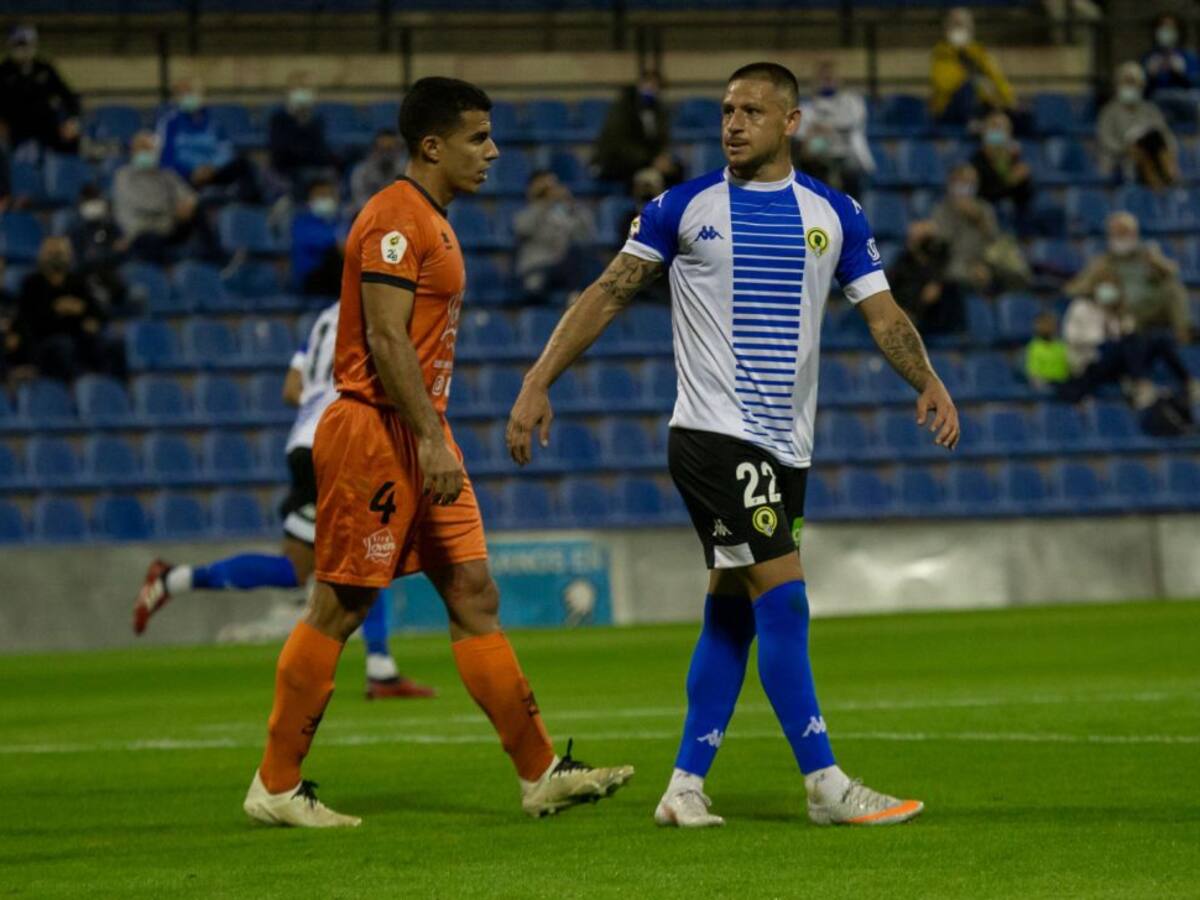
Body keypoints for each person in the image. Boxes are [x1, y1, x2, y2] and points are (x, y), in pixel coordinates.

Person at [509, 62, 958, 829]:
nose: (733, 124)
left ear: (791, 122)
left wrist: (929, 379)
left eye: (751, 110)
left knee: (731, 612)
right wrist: (538, 378)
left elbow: (883, 315)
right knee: (784, 598)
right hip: (714, 435)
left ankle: (684, 786)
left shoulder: (834, 213)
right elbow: (610, 291)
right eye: (726, 110)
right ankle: (825, 784)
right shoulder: (683, 208)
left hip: (787, 448)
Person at [241, 76, 634, 828]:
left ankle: (540, 773)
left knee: (473, 592)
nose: (493, 151)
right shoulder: (395, 217)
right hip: (377, 432)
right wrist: (427, 438)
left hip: (421, 430)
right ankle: (276, 785)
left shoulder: (433, 220)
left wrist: (432, 434)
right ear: (432, 146)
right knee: (341, 603)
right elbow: (385, 337)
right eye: (477, 137)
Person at [132, 302, 435, 700]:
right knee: (371, 549)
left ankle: (172, 579)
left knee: (296, 568)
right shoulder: (379, 308)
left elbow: (292, 389)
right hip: (339, 438)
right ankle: (380, 669)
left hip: (304, 442)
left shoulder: (325, 318)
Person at [1060, 277, 1197, 406]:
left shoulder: (1115, 311)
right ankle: (1139, 383)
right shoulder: (1081, 307)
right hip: (1090, 360)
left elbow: (1126, 331)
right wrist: (1105, 337)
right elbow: (1072, 337)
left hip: (1118, 360)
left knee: (1159, 339)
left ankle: (1188, 382)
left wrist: (1124, 325)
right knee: (1129, 342)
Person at [1064, 211, 1190, 345]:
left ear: (1134, 234)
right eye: (1116, 234)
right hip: (1121, 310)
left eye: (1125, 233)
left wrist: (1157, 262)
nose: (1121, 238)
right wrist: (1098, 290)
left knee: (1172, 287)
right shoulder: (1102, 263)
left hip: (1151, 307)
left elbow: (1173, 273)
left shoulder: (1148, 256)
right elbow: (1073, 289)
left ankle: (1184, 334)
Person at [10, 236, 125, 382]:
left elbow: (96, 311)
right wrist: (56, 310)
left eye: (60, 253)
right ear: (42, 255)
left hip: (79, 337)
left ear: (69, 255)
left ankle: (111, 385)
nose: (56, 258)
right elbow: (26, 319)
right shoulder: (32, 284)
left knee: (113, 344)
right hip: (45, 339)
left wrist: (91, 319)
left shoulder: (78, 282)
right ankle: (77, 385)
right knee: (64, 345)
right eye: (52, 253)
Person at [931, 163, 1029, 294]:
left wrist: (980, 221)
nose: (966, 188)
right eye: (962, 182)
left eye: (971, 184)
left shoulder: (984, 209)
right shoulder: (941, 211)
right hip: (953, 263)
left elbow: (994, 241)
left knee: (1015, 273)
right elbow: (942, 247)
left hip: (983, 261)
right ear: (952, 184)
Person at [156, 78, 258, 200]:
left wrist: (212, 167)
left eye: (191, 92)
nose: (188, 97)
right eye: (183, 94)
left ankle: (249, 206)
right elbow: (166, 159)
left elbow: (225, 149)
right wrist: (191, 172)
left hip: (213, 171)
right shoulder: (170, 123)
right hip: (187, 177)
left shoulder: (214, 120)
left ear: (201, 95)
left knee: (244, 165)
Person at [112, 130, 202, 264]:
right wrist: (175, 208)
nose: (147, 153)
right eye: (143, 148)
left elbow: (188, 194)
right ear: (133, 151)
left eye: (151, 149)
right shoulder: (124, 175)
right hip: (141, 231)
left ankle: (211, 261)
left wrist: (189, 203)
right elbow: (146, 204)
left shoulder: (166, 174)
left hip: (168, 226)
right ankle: (166, 270)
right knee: (149, 239)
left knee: (199, 212)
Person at [513, 169, 598, 302]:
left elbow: (587, 234)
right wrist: (543, 203)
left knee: (581, 254)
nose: (550, 191)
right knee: (535, 287)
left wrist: (571, 204)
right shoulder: (525, 213)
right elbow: (523, 229)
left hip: (561, 267)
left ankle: (575, 295)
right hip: (536, 268)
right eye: (545, 188)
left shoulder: (562, 213)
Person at [793, 59, 874, 198]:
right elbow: (801, 136)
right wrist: (813, 133)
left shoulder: (852, 101)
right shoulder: (807, 107)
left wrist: (824, 128)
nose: (827, 82)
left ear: (839, 80)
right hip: (820, 155)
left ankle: (850, 204)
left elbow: (851, 122)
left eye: (830, 78)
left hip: (848, 153)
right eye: (823, 79)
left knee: (850, 169)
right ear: (815, 82)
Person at [0, 24, 80, 155]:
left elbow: (68, 96)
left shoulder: (45, 69)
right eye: (19, 44)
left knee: (71, 140)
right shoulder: (3, 71)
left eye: (27, 44)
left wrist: (71, 120)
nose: (23, 49)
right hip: (14, 126)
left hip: (45, 124)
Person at [930, 8, 1017, 126]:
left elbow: (996, 77)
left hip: (979, 105)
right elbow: (944, 85)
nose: (959, 28)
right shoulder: (941, 53)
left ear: (971, 28)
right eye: (956, 24)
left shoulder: (979, 52)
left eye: (963, 24)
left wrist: (1008, 99)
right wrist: (959, 54)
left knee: (1011, 114)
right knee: (968, 87)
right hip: (948, 108)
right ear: (946, 28)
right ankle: (971, 123)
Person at [1097, 62, 1179, 189]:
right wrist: (1125, 149)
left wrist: (1170, 149)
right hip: (1121, 158)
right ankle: (1156, 185)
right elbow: (1106, 139)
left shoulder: (1151, 110)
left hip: (1153, 153)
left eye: (1133, 83)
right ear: (1118, 85)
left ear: (1141, 85)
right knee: (1139, 151)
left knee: (1156, 143)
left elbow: (1165, 134)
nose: (1130, 87)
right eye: (1126, 82)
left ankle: (1170, 178)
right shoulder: (1109, 111)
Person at [594, 69, 672, 187]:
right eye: (649, 84)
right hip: (616, 162)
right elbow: (619, 144)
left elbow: (662, 140)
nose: (652, 89)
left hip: (646, 161)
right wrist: (650, 160)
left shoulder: (658, 111)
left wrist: (661, 158)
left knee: (675, 171)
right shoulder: (623, 107)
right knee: (646, 180)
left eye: (656, 86)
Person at [887, 219, 964, 335]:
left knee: (950, 289)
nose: (914, 243)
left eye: (922, 240)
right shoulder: (903, 262)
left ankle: (957, 333)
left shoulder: (940, 258)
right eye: (912, 239)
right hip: (911, 313)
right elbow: (891, 288)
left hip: (938, 316)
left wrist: (936, 285)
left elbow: (953, 270)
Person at [268, 73, 337, 192]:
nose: (303, 93)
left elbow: (321, 152)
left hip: (314, 169)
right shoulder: (278, 119)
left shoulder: (317, 121)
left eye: (306, 88)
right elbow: (280, 153)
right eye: (298, 88)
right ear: (289, 93)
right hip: (288, 171)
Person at [67, 184, 130, 316]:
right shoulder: (76, 229)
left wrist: (106, 255)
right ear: (81, 204)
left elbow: (124, 251)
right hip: (86, 277)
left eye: (97, 200)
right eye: (90, 201)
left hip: (110, 274)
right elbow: (80, 261)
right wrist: (111, 252)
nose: (94, 204)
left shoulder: (110, 226)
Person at [970, 109, 1034, 229]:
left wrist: (1024, 179)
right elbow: (982, 194)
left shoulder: (1013, 159)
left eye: (1002, 128)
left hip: (1014, 213)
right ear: (984, 131)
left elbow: (1025, 196)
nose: (997, 131)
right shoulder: (976, 160)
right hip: (988, 213)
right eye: (994, 126)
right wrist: (1010, 181)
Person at [290, 178, 343, 295]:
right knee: (334, 254)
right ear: (310, 199)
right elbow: (326, 243)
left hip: (335, 279)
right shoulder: (301, 222)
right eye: (321, 195)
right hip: (310, 279)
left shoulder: (337, 221)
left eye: (328, 195)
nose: (326, 199)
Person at [1141, 14, 1200, 97]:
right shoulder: (1148, 58)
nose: (1166, 31)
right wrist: (1150, 76)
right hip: (1155, 100)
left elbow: (1196, 86)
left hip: (1183, 100)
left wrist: (1182, 74)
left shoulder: (1189, 57)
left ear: (1178, 32)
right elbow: (1140, 90)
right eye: (1162, 27)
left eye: (1170, 28)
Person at [350, 129, 405, 211]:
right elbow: (360, 200)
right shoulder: (361, 172)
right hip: (371, 213)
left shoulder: (407, 171)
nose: (386, 154)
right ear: (374, 149)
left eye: (390, 149)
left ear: (399, 150)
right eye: (382, 149)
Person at [1024, 311, 1071, 389]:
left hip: (1062, 382)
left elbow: (1068, 368)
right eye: (1043, 325)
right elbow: (1033, 373)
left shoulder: (1061, 345)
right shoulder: (1034, 347)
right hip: (1045, 383)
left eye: (1050, 324)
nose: (1047, 327)